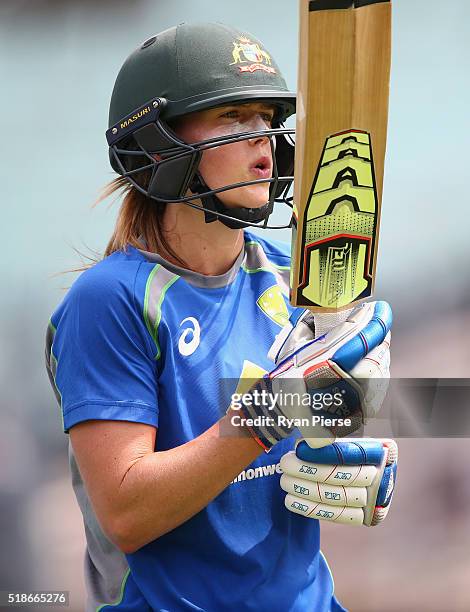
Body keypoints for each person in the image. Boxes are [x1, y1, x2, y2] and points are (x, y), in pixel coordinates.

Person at [45, 23, 394, 611]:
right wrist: (271, 411)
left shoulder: (292, 277)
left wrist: (365, 458)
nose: (265, 141)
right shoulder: (111, 302)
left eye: (268, 120)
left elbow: (319, 427)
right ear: (160, 147)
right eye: (234, 119)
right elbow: (127, 512)